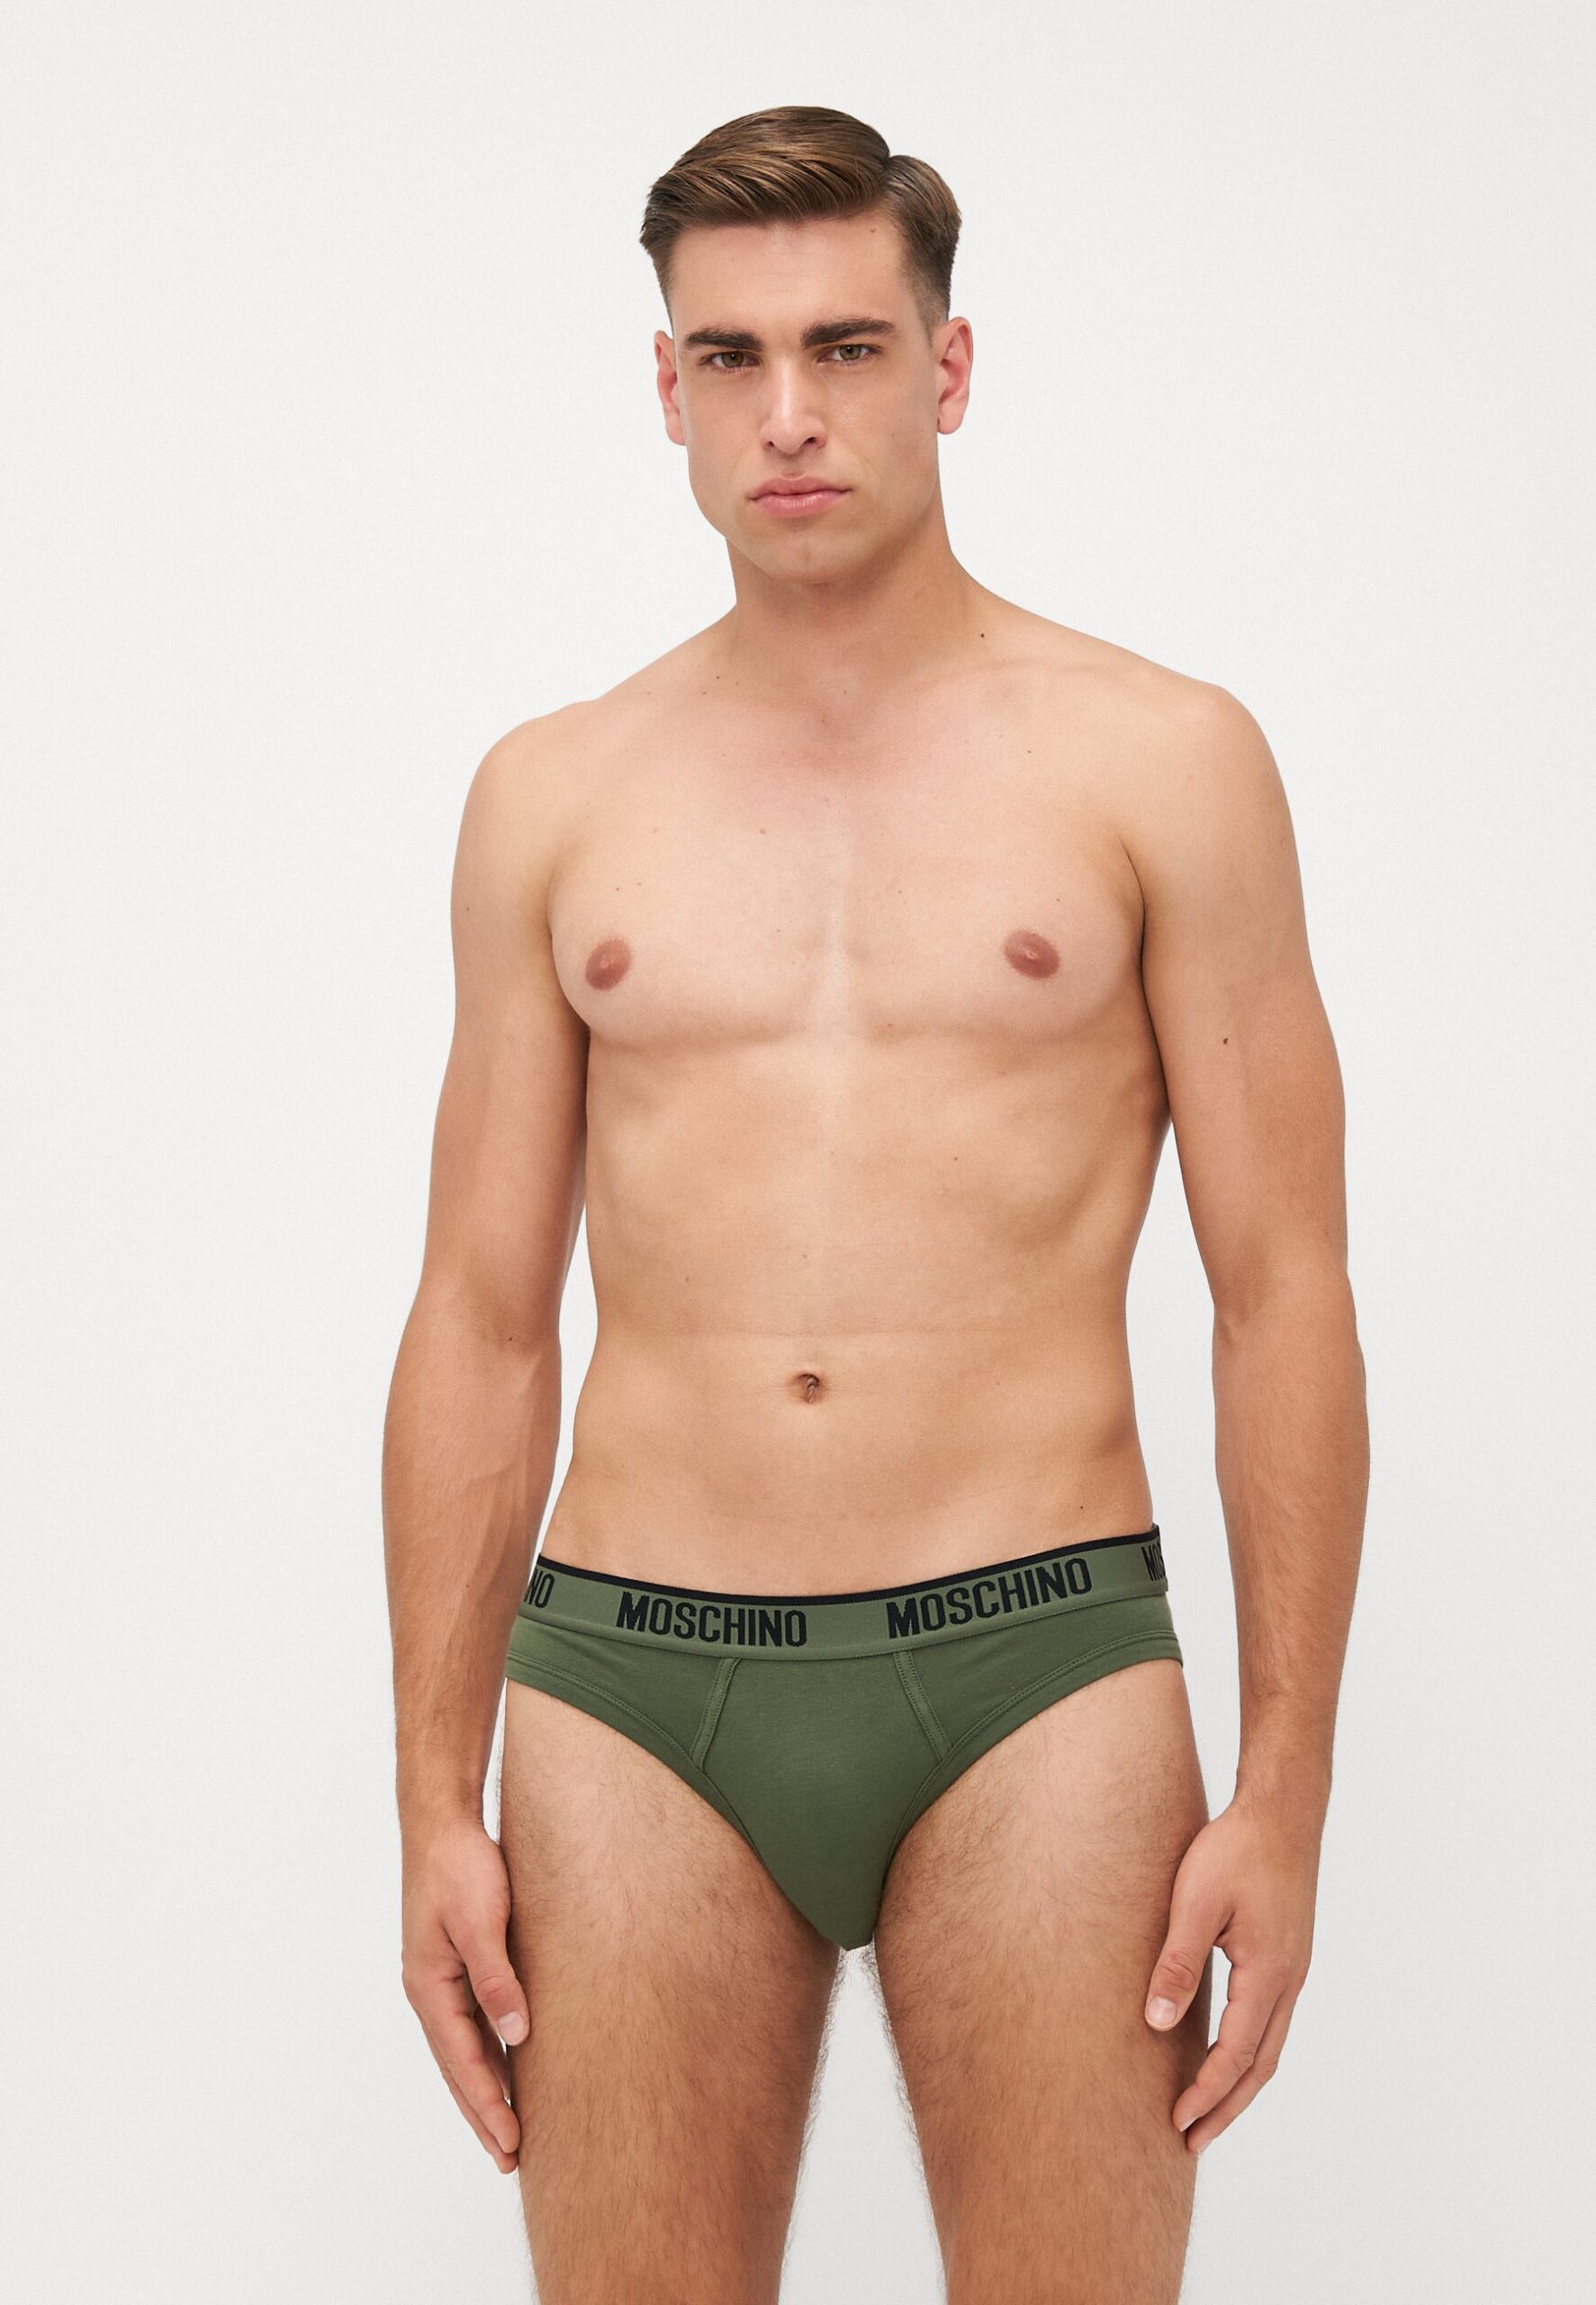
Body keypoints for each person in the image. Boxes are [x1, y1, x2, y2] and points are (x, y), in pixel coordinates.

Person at [382, 103, 1368, 2304]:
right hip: (634, 1682)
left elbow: (1280, 1288)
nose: (789, 411)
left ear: (948, 365)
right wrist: (431, 1792)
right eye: (729, 357)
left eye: (844, 344)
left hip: (1038, 1666)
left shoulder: (1160, 760)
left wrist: (1284, 1785)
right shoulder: (551, 795)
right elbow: (479, 1313)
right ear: (665, 390)